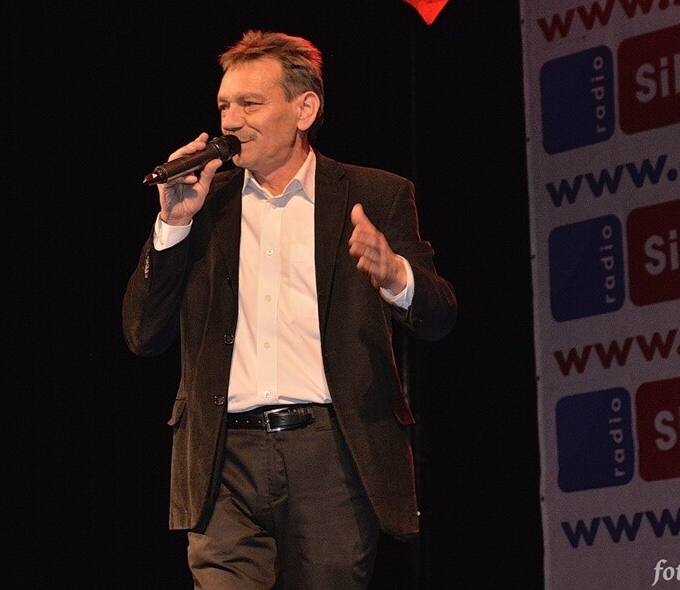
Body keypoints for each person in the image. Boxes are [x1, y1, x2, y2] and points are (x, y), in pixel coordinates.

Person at [123, 30, 456, 588]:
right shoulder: (203, 206)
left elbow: (440, 314)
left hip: (330, 455)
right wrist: (173, 224)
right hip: (223, 459)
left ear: (305, 109)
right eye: (224, 106)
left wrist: (396, 275)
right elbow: (142, 332)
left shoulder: (375, 194)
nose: (231, 122)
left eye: (250, 104)